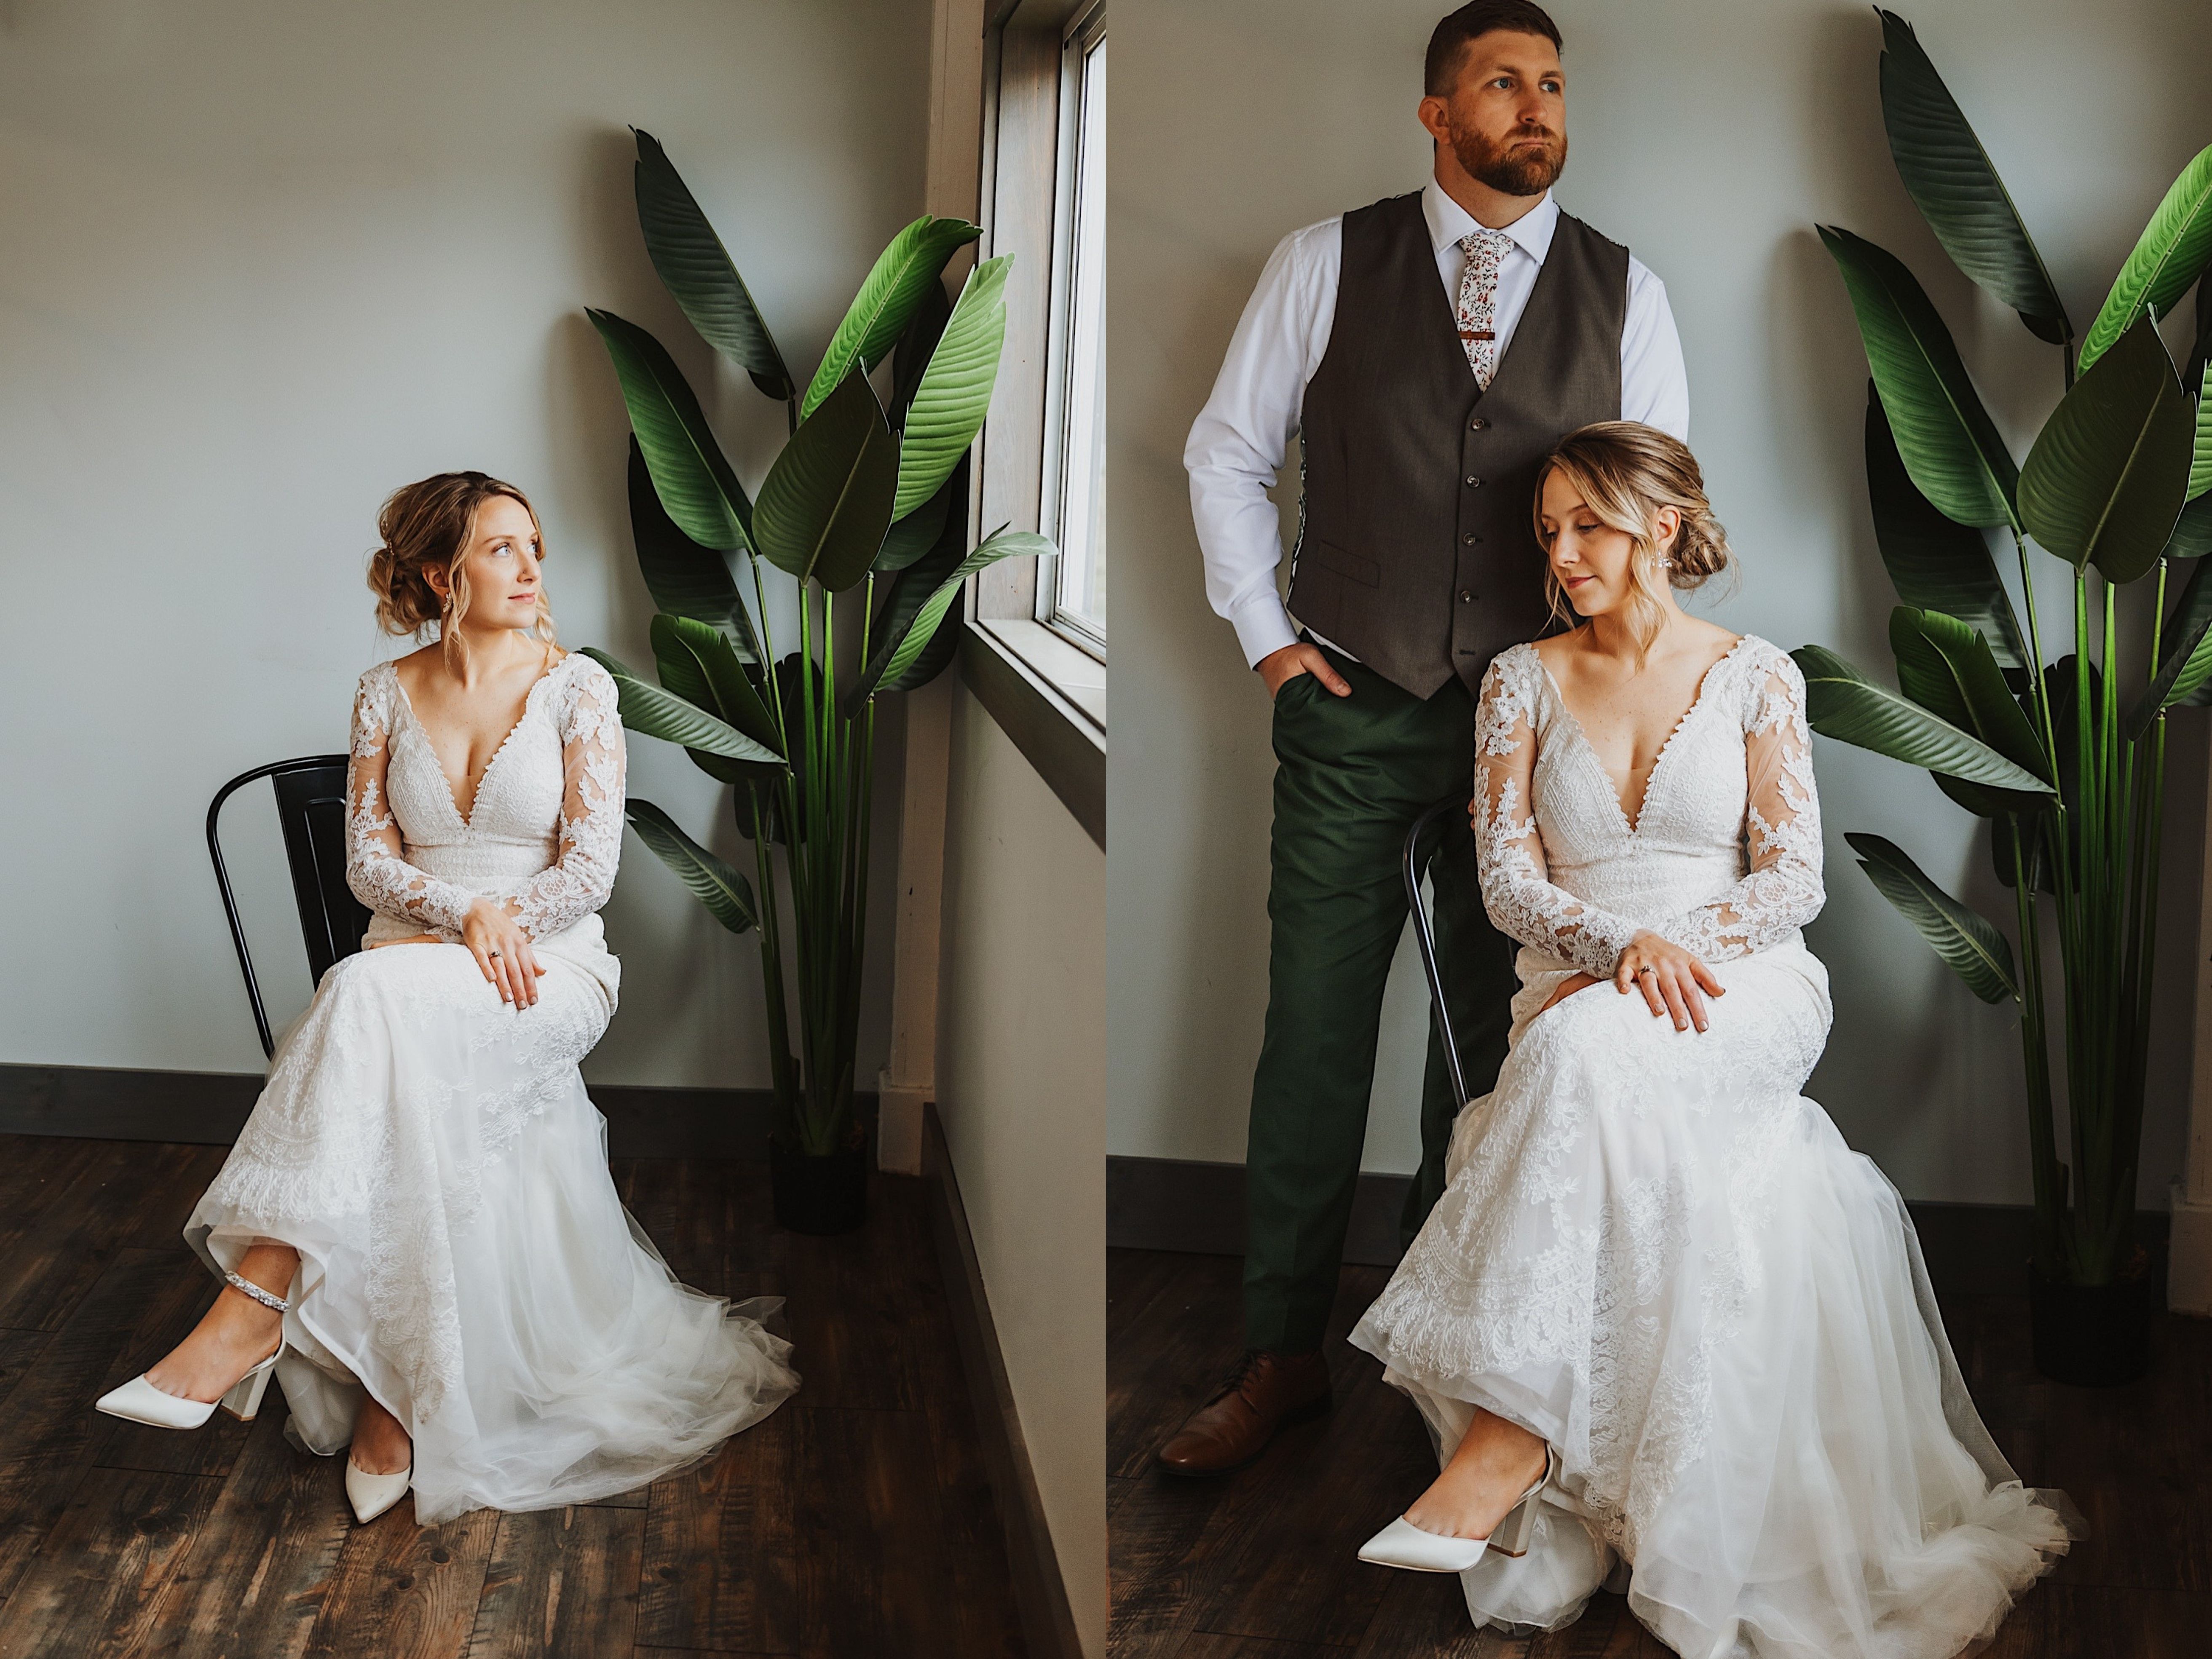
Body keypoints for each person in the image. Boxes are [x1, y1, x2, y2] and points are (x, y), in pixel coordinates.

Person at [1346, 423, 2076, 1652]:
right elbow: (1505, 880)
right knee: (1584, 1051)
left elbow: (1793, 880)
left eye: (1588, 526)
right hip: (1578, 982)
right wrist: (1614, 948)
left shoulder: (1756, 677)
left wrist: (1680, 946)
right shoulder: (1520, 681)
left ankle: (1510, 1439)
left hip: (1746, 983)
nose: (1562, 554)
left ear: (1663, 527)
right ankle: (1535, 1445)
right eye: (1548, 534)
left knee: (1586, 1062)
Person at [1165, 0, 1689, 1476]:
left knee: (1496, 1049)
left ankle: (1437, 1344)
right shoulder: (1325, 260)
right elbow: (1228, 449)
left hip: (1536, 731)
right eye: (1505, 83)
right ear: (1435, 112)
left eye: (1553, 85)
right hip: (1350, 702)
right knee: (1315, 1035)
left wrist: (1597, 697)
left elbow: (1654, 514)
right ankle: (1279, 1355)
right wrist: (1268, 635)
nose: (1538, 107)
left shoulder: (1626, 291)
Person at [94, 471, 798, 1525]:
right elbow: (368, 862)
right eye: (503, 548)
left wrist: (498, 923)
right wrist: (461, 912)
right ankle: (398, 1399)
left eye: (533, 547)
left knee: (356, 998)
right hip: (410, 960)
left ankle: (252, 1311)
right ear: (442, 572)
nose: (531, 568)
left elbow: (590, 869)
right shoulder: (385, 689)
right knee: (381, 1011)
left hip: (548, 967)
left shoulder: (579, 690)